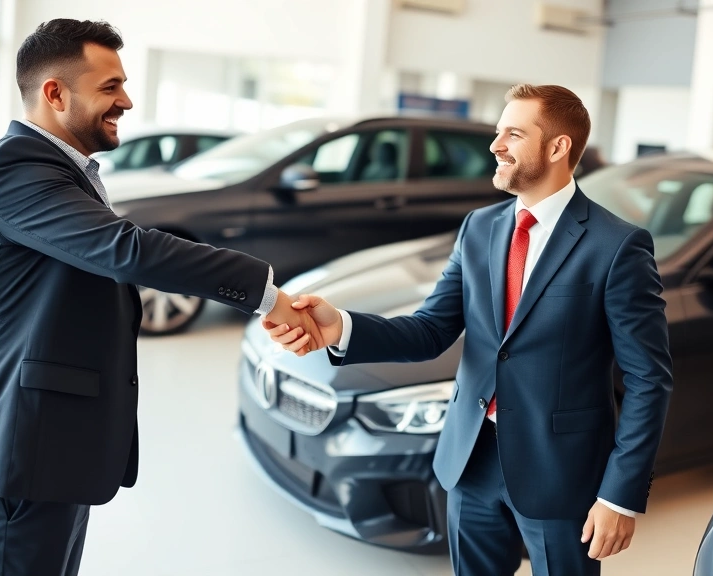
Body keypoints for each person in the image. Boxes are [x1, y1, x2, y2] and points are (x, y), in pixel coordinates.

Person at [0, 19, 323, 576]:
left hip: (51, 444)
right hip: (19, 447)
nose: (127, 100)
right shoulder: (15, 167)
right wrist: (266, 295)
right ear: (54, 93)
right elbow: (128, 250)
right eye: (110, 86)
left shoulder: (60, 170)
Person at [266, 84, 673, 576]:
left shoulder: (617, 246)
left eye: (513, 134)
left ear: (558, 147)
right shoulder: (479, 228)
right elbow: (430, 330)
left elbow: (649, 379)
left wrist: (620, 495)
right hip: (469, 460)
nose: (495, 145)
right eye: (499, 132)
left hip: (560, 472)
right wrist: (342, 328)